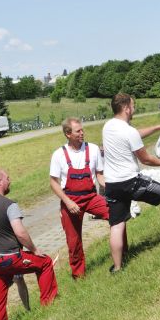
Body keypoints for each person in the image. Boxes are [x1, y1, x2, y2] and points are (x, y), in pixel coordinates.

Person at [102, 93, 160, 273]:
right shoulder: (128, 131)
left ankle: (117, 267)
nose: (134, 109)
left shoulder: (108, 126)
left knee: (116, 224)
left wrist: (158, 127)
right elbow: (146, 159)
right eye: (133, 105)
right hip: (131, 181)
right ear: (126, 108)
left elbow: (135, 135)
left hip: (112, 185)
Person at [0, 169, 57, 320]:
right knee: (45, 262)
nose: (10, 181)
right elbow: (20, 233)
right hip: (10, 258)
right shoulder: (9, 204)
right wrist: (35, 250)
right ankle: (49, 305)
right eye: (8, 178)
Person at [49, 118, 109, 278]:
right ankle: (79, 275)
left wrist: (109, 188)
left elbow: (100, 175)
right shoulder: (59, 154)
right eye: (78, 131)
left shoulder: (94, 149)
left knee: (116, 215)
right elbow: (53, 183)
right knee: (74, 242)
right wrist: (68, 203)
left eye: (82, 130)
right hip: (70, 201)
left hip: (91, 197)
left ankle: (122, 253)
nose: (82, 133)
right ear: (68, 134)